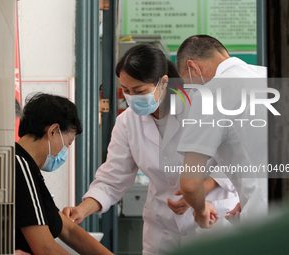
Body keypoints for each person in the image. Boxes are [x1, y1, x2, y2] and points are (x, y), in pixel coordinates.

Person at [63, 44, 239, 255]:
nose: (131, 98)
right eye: (126, 91)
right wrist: (82, 210)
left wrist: (200, 189)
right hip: (163, 229)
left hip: (212, 218)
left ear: (163, 82)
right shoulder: (127, 122)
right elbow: (113, 178)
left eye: (139, 91)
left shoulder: (200, 107)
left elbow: (236, 160)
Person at [176, 35, 268, 228]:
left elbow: (190, 185)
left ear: (193, 67)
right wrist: (247, 197)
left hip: (265, 222)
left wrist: (201, 213)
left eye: (191, 85)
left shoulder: (211, 94)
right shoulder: (266, 75)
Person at [15, 93, 112, 254]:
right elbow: (45, 248)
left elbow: (68, 230)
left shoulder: (30, 171)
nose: (65, 150)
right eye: (68, 143)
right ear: (53, 131)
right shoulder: (20, 166)